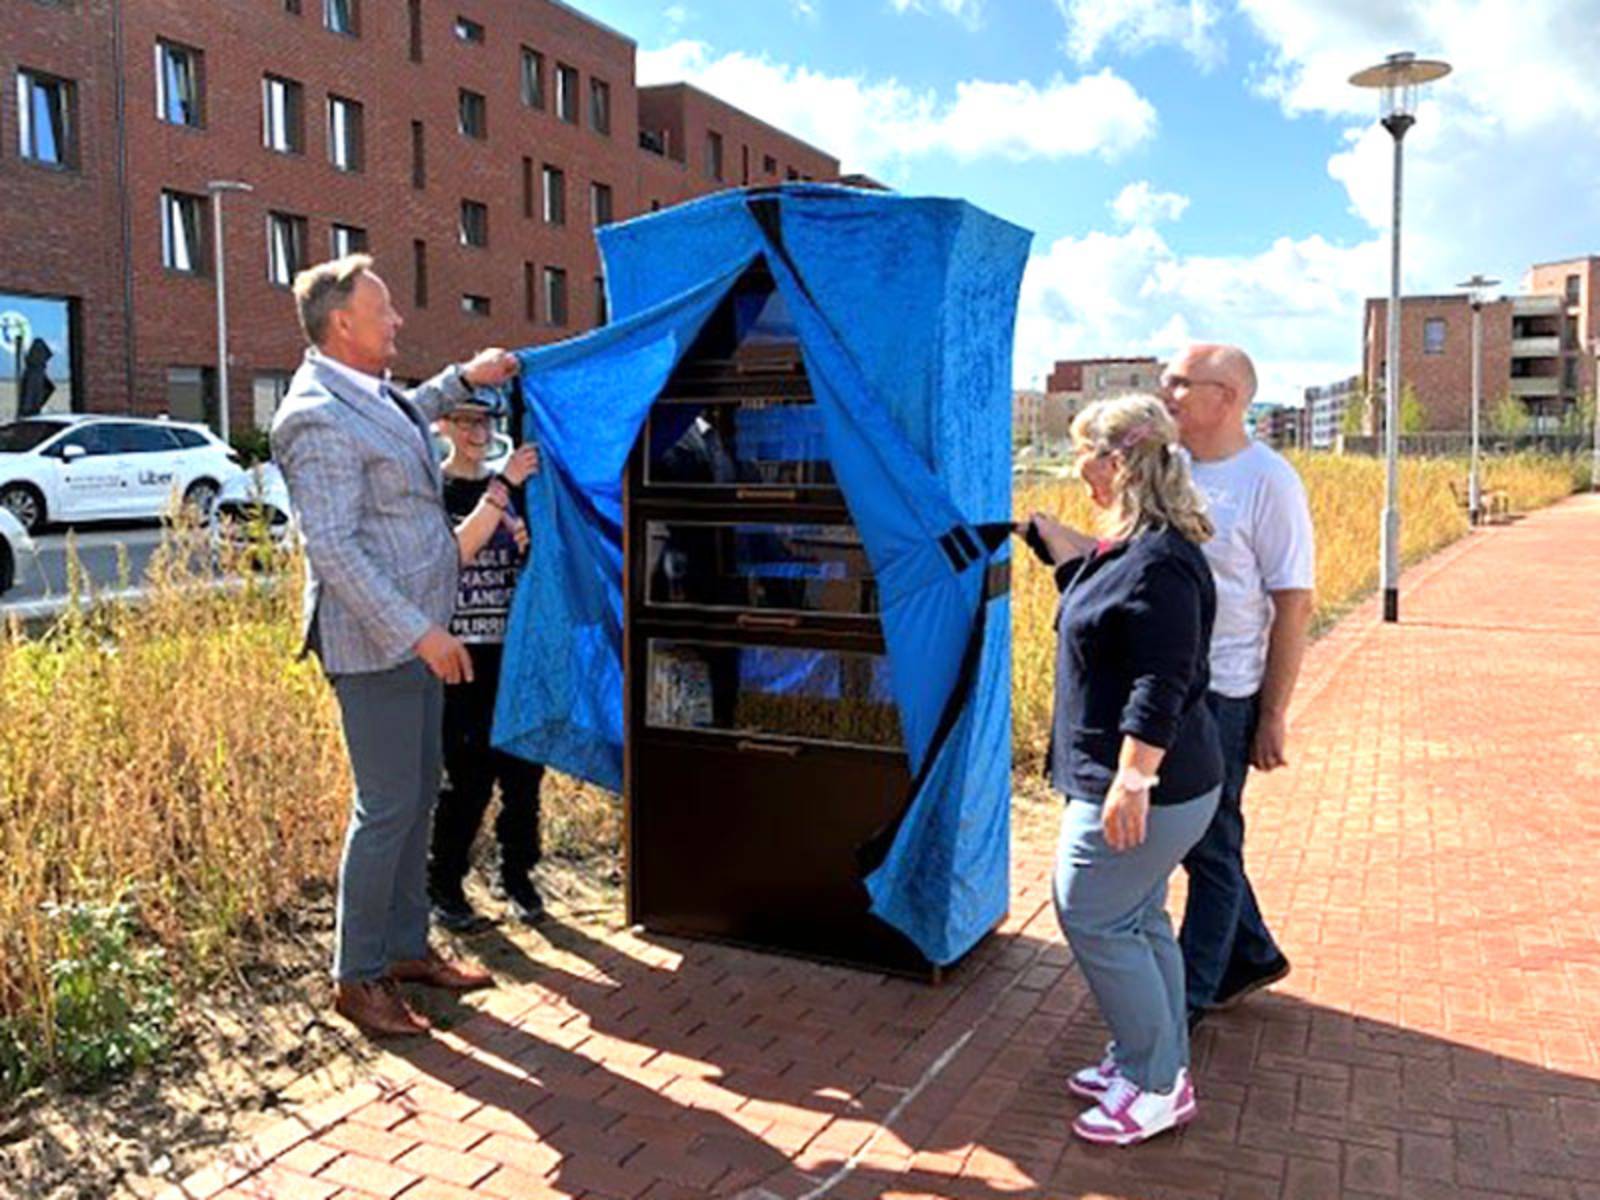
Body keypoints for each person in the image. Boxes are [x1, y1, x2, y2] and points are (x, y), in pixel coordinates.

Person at [271, 254, 520, 1038]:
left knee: (418, 791)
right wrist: (422, 633)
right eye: (385, 312)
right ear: (343, 323)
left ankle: (407, 948)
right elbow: (335, 553)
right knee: (384, 807)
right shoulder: (310, 417)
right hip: (379, 642)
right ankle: (358, 977)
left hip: (416, 633)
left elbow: (407, 412)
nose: (398, 321)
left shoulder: (363, 394)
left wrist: (464, 376)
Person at [1021, 394, 1223, 1147]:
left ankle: (1155, 1086)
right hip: (1154, 780)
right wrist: (1056, 541)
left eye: (1084, 451)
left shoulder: (1162, 562)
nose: (1076, 467)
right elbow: (1108, 588)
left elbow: (1160, 678)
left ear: (1117, 462)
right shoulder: (1136, 545)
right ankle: (1154, 1059)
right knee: (1137, 917)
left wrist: (1132, 780)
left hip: (1147, 783)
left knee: (1092, 911)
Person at [1160, 343, 1314, 1027]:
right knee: (1200, 835)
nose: (1166, 392)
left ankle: (1190, 995)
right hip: (1170, 688)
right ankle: (1248, 950)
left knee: (1212, 840)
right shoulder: (1172, 469)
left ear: (1224, 397)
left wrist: (1273, 713)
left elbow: (1294, 601)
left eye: (1179, 382)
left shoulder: (1268, 481)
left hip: (1225, 693)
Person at [427, 391, 549, 931]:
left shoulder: (519, 490)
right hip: (460, 661)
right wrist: (504, 493)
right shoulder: (431, 490)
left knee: (523, 775)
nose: (479, 433)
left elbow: (536, 565)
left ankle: (518, 877)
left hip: (514, 656)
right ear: (444, 425)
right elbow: (448, 556)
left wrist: (526, 544)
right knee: (468, 781)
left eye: (487, 422)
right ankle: (445, 885)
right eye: (468, 421)